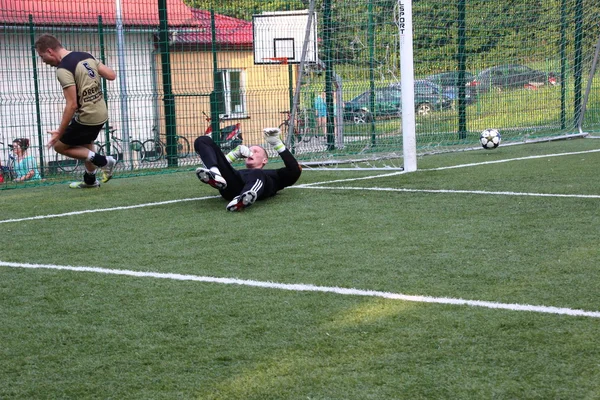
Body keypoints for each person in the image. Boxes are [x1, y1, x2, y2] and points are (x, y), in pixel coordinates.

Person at [34, 34, 117, 189]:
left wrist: (59, 132)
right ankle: (90, 180)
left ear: (50, 51)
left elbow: (71, 105)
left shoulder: (64, 69)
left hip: (88, 116)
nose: (43, 61)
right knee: (86, 143)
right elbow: (111, 75)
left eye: (42, 56)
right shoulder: (86, 56)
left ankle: (104, 161)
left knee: (59, 146)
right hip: (101, 112)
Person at [194, 128, 302, 211]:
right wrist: (234, 154)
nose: (251, 153)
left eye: (256, 152)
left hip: (258, 188)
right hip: (232, 186)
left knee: (257, 173)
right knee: (202, 140)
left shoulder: (274, 175)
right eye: (249, 150)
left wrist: (277, 143)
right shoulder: (239, 173)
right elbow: (222, 165)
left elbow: (294, 171)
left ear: (264, 160)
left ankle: (243, 198)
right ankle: (215, 174)